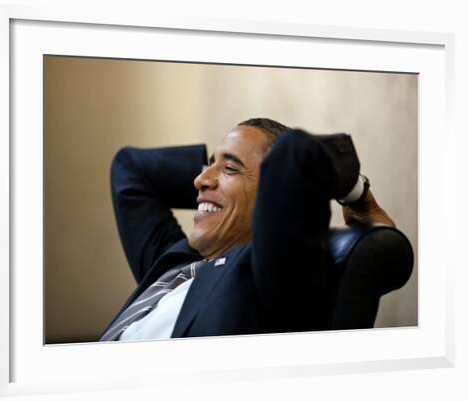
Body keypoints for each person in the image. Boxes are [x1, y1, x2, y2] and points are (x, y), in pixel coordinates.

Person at [99, 118, 395, 341]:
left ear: (272, 197)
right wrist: (218, 175)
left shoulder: (266, 276)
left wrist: (357, 194)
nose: (198, 180)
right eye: (208, 166)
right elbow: (130, 168)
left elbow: (298, 153)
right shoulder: (174, 261)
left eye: (231, 168)